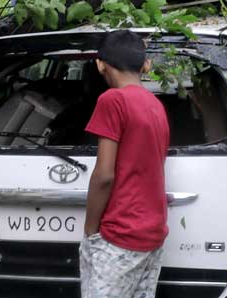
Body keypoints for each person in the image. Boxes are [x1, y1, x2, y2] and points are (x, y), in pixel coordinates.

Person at [80, 30, 170, 298]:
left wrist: (90, 231)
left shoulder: (113, 100)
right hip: (152, 233)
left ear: (100, 64)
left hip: (119, 234)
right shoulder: (156, 106)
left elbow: (104, 175)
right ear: (146, 65)